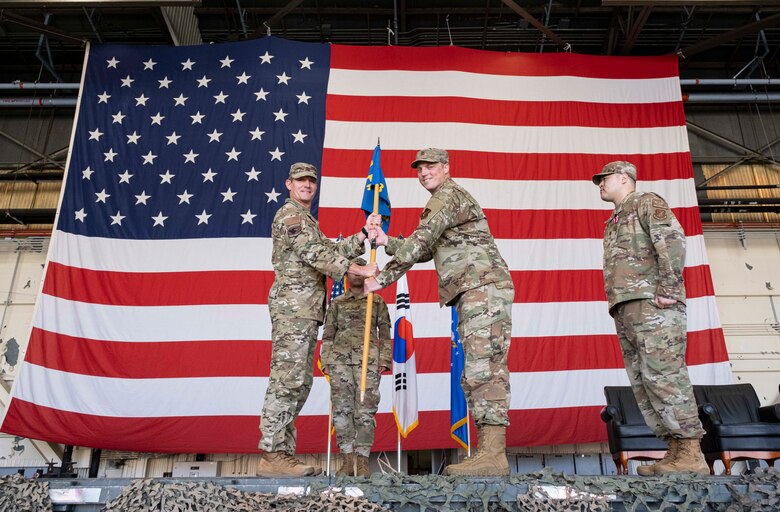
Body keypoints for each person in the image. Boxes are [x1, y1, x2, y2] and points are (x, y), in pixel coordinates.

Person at [364, 148, 514, 477]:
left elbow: (421, 242)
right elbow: (427, 248)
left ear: (446, 167)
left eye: (430, 166)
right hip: (475, 290)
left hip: (482, 288)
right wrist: (387, 241)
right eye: (419, 168)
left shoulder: (446, 196)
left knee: (484, 369)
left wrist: (382, 278)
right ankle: (489, 451)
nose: (424, 173)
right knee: (475, 370)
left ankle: (494, 454)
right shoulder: (446, 200)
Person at [256, 162, 378, 478]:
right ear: (289, 184)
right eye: (301, 180)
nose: (307, 185)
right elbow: (317, 256)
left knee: (299, 382)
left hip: (306, 312)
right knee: (287, 380)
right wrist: (358, 269)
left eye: (311, 180)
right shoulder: (291, 216)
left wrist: (363, 235)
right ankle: (272, 454)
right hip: (293, 311)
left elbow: (330, 248)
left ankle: (281, 454)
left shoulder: (308, 220)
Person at [592, 160, 708, 476]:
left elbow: (671, 240)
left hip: (652, 304)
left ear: (623, 178)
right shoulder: (615, 219)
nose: (600, 184)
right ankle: (674, 449)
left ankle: (691, 452)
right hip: (627, 306)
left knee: (665, 374)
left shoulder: (646, 202)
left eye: (604, 178)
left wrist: (668, 287)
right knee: (644, 380)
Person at [320, 257, 392, 477]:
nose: (357, 274)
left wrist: (384, 360)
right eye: (354, 270)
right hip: (340, 363)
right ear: (346, 274)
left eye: (362, 270)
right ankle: (346, 461)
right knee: (342, 411)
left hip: (368, 364)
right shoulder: (337, 303)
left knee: (365, 412)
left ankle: (362, 461)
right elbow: (328, 335)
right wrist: (326, 361)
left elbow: (385, 335)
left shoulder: (376, 302)